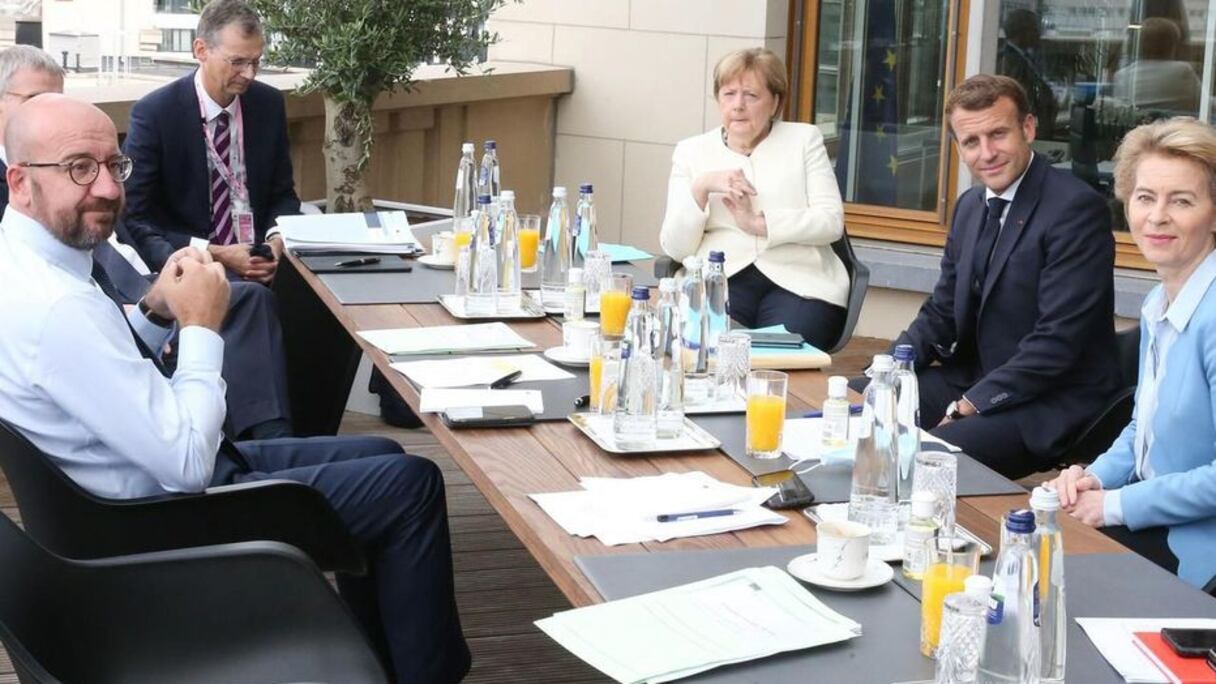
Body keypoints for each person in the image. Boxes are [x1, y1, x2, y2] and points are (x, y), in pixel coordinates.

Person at [0, 94, 470, 683]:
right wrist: (200, 325)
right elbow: (188, 464)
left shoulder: (22, 264)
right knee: (411, 486)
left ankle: (380, 665)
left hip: (118, 499)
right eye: (78, 168)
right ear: (20, 182)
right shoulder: (58, 306)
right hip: (161, 528)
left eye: (114, 166)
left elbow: (99, 374)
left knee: (384, 455)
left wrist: (156, 310)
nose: (106, 188)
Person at [0, 44, 292, 440]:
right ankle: (263, 455)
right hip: (97, 313)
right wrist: (140, 317)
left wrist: (159, 294)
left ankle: (269, 439)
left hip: (133, 286)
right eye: (36, 99)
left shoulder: (76, 161)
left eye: (57, 98)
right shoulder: (50, 296)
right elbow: (186, 466)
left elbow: (122, 232)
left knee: (255, 298)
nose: (103, 185)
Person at [892, 74, 1121, 479]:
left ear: (1028, 129)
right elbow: (941, 310)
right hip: (975, 378)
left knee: (930, 462)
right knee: (862, 405)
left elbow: (1057, 341)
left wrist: (969, 405)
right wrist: (890, 368)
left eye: (998, 134)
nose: (987, 153)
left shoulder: (1074, 210)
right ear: (958, 147)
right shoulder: (969, 206)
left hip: (1049, 399)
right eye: (971, 142)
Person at [1050, 117, 1216, 592]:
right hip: (1152, 518)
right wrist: (1096, 480)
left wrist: (1115, 506)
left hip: (1198, 551)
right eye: (1145, 198)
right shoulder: (1159, 302)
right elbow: (1143, 426)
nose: (1157, 216)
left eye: (1181, 200)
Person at [659, 47, 848, 350]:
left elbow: (830, 222)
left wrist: (759, 224)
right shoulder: (691, 152)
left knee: (778, 353)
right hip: (721, 277)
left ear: (775, 102)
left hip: (800, 280)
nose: (738, 106)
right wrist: (702, 187)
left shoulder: (804, 140)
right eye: (729, 94)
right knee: (708, 345)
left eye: (751, 95)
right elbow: (676, 248)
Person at [121, 0, 299, 278]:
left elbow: (283, 195)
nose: (249, 74)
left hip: (263, 261)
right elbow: (133, 216)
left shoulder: (269, 104)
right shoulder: (155, 113)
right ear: (201, 50)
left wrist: (276, 242)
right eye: (238, 62)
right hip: (193, 266)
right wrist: (216, 253)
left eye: (256, 62)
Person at [1112, 17, 1202, 117]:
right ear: (1172, 46)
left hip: (1138, 130)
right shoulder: (1183, 70)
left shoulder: (1121, 75)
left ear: (1139, 45)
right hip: (1174, 130)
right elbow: (1204, 104)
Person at [997, 9, 1058, 139]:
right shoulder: (1010, 60)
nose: (1038, 35)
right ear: (1022, 32)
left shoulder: (1022, 58)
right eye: (1035, 30)